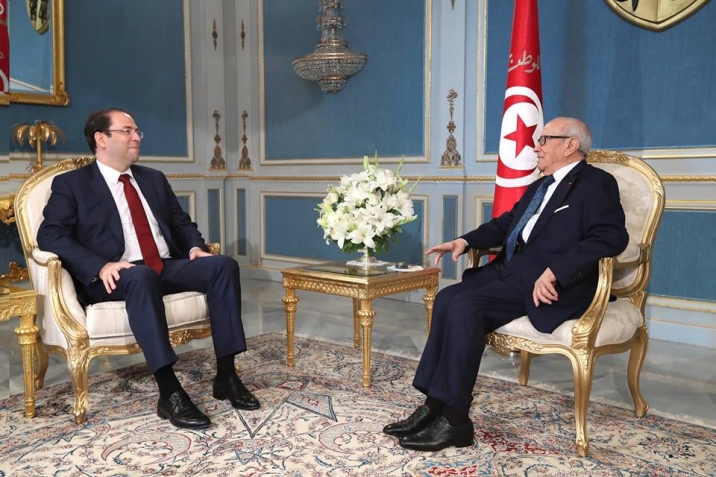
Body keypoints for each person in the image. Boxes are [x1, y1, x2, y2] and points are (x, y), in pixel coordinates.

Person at [383, 117, 629, 451]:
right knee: (447, 298)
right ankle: (433, 405)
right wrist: (464, 241)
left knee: (467, 307)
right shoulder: (540, 185)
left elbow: (611, 237)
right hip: (509, 271)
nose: (536, 146)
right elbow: (508, 224)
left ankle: (455, 421)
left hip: (546, 283)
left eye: (544, 139)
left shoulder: (596, 183)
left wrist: (556, 271)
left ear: (571, 145)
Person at [37, 108, 260, 430]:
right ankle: (169, 392)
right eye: (127, 131)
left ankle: (226, 377)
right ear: (101, 139)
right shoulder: (73, 184)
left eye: (137, 131)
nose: (136, 137)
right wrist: (100, 265)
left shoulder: (152, 178)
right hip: (115, 275)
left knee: (222, 266)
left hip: (163, 266)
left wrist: (195, 249)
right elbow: (50, 234)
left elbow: (181, 224)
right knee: (140, 276)